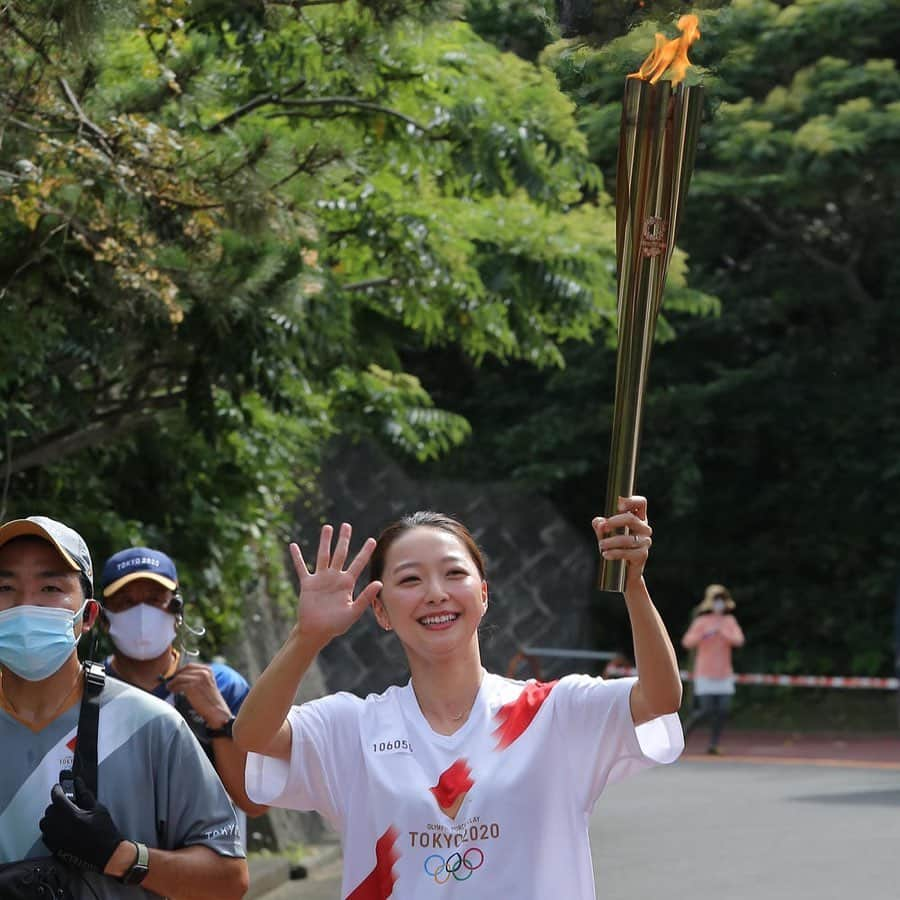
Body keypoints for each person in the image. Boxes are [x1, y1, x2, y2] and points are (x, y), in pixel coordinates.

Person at [234, 497, 683, 900]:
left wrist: (634, 585)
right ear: (380, 610)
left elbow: (660, 698)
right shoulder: (353, 727)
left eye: (454, 573)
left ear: (483, 594)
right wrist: (306, 638)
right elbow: (253, 735)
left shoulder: (552, 713)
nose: (435, 593)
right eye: (410, 580)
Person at [0, 516, 249, 900]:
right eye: (6, 587)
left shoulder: (153, 726)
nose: (25, 605)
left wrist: (121, 856)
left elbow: (229, 879)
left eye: (50, 587)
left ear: (88, 616)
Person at [99, 546, 268, 837]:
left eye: (155, 601)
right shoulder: (88, 691)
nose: (141, 614)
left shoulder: (223, 686)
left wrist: (220, 721)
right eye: (125, 602)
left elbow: (254, 802)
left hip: (209, 871)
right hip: (112, 872)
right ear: (103, 619)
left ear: (177, 611)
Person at [681, 583, 745, 755]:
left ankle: (713, 744)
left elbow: (739, 640)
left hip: (724, 673)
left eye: (722, 600)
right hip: (705, 673)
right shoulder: (702, 621)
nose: (719, 604)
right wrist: (704, 634)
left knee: (723, 710)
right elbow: (687, 642)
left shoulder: (729, 621)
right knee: (704, 710)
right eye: (716, 600)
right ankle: (681, 738)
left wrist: (723, 633)